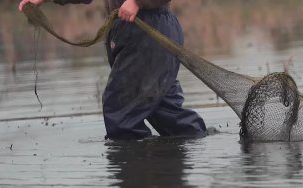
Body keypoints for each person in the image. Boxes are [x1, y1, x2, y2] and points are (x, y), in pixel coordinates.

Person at [18, 0, 207, 140]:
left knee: (121, 114)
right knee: (166, 112)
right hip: (140, 31)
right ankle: (185, 154)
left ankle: (142, 179)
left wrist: (136, 1)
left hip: (147, 31)